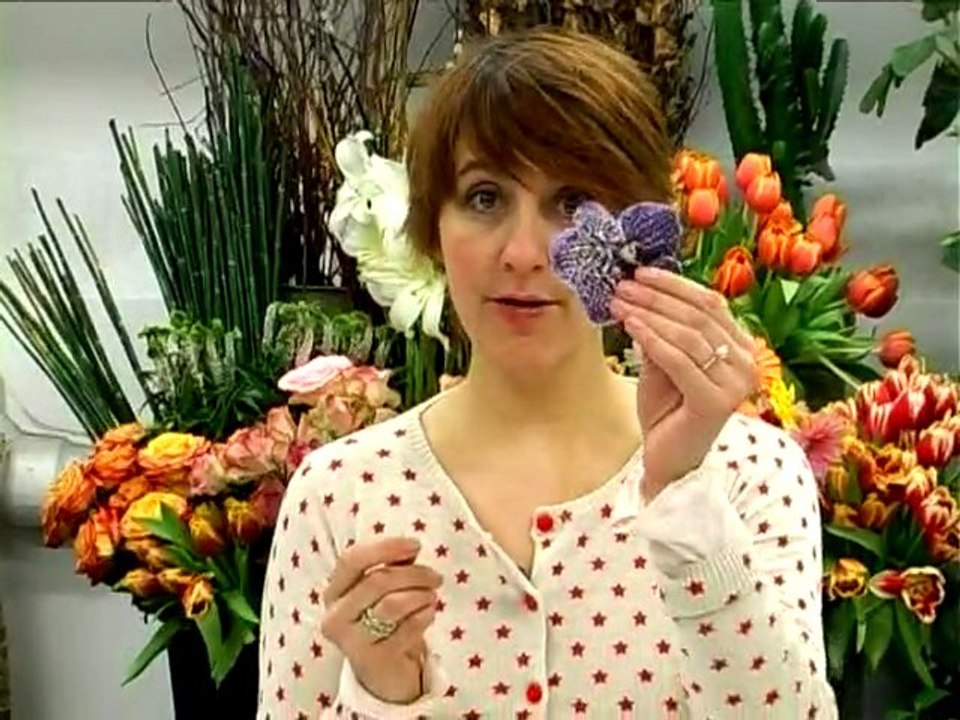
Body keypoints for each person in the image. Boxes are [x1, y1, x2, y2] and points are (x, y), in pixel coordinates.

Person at [257, 27, 837, 719]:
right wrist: (382, 696)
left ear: (639, 226)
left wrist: (682, 495)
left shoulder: (748, 471)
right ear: (433, 226)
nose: (525, 252)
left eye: (570, 203)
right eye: (483, 198)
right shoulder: (340, 494)